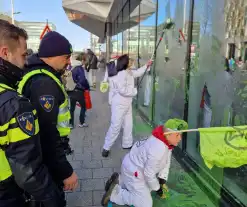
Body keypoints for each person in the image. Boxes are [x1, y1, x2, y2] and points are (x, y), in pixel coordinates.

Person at [0, 19, 64, 207]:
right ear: (5, 53)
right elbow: (28, 172)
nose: (26, 61)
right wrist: (55, 200)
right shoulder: (12, 104)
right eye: (23, 55)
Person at [17, 31, 78, 206]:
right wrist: (66, 171)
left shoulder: (38, 75)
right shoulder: (44, 84)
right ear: (52, 55)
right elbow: (47, 135)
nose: (69, 62)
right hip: (44, 162)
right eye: (66, 57)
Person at [101, 123, 183, 207]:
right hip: (134, 172)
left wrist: (162, 179)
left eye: (181, 135)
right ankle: (115, 194)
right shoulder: (159, 148)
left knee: (149, 187)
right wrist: (158, 189)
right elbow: (148, 173)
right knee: (145, 204)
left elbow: (166, 161)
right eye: (177, 135)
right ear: (168, 135)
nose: (180, 138)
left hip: (132, 168)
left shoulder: (163, 142)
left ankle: (120, 180)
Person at [102, 54, 152, 157]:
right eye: (130, 61)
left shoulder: (128, 71)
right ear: (125, 63)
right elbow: (122, 90)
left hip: (127, 103)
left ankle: (127, 143)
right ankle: (106, 147)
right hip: (119, 104)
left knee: (128, 124)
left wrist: (146, 65)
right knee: (115, 126)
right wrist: (134, 91)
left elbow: (137, 73)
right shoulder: (121, 74)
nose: (132, 63)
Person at [67, 52, 90, 128]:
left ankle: (71, 124)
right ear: (82, 60)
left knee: (72, 108)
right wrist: (87, 87)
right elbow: (82, 80)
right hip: (79, 90)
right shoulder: (79, 68)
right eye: (84, 60)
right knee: (83, 106)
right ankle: (81, 122)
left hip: (70, 90)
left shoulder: (71, 67)